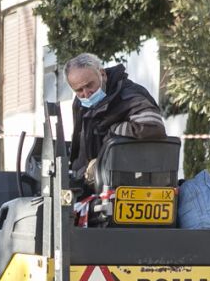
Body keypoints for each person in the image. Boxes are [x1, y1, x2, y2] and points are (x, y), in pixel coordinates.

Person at [65, 53, 167, 184]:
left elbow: (153, 128)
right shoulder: (80, 103)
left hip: (135, 183)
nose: (86, 93)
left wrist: (113, 131)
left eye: (89, 85)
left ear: (102, 74)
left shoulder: (130, 95)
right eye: (79, 90)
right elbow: (81, 147)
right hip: (95, 184)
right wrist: (78, 178)